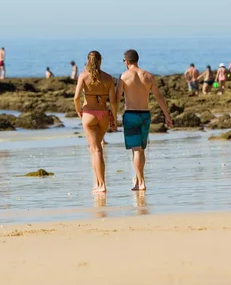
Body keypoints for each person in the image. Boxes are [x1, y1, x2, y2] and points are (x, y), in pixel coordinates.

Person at [115, 49, 172, 191]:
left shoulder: (124, 76)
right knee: (141, 149)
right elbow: (159, 96)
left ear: (126, 62)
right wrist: (167, 115)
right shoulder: (148, 76)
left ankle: (140, 182)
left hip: (131, 115)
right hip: (145, 114)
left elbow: (116, 99)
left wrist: (112, 116)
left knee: (136, 150)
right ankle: (139, 179)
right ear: (137, 60)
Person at [73, 51, 117, 193]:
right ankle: (98, 182)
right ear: (100, 61)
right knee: (95, 149)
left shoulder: (84, 76)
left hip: (89, 114)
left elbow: (76, 97)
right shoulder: (108, 78)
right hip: (104, 114)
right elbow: (113, 102)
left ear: (88, 60)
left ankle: (102, 185)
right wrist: (114, 118)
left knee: (96, 149)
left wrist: (78, 111)